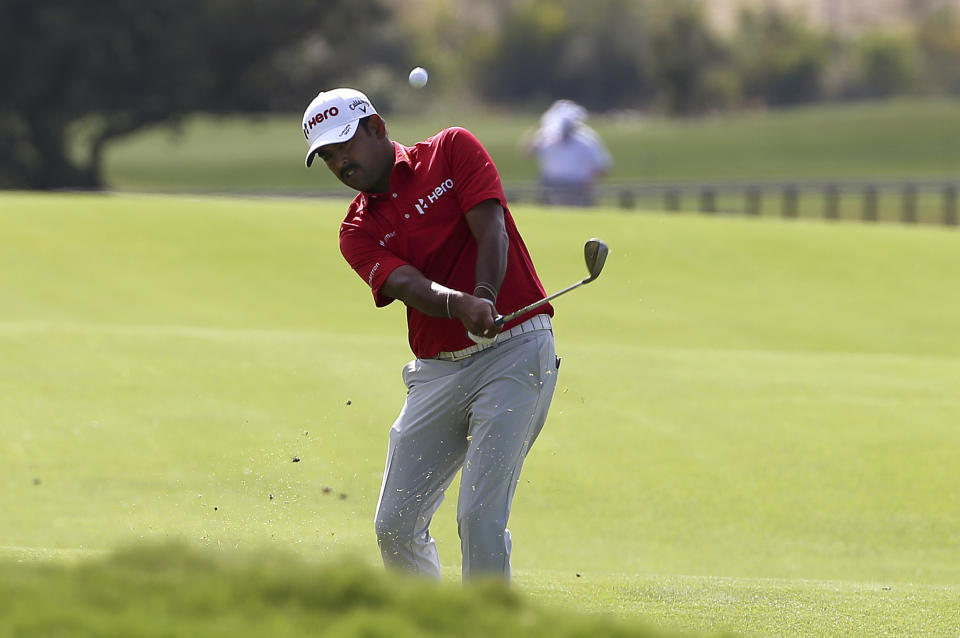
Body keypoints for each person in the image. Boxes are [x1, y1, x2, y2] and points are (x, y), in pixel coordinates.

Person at [301, 88, 560, 581]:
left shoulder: (451, 149)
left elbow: (492, 230)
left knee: (479, 518)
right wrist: (461, 304)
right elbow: (405, 283)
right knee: (395, 524)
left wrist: (483, 293)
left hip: (516, 348)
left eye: (345, 147)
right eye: (329, 158)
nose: (341, 164)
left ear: (376, 127)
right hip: (438, 371)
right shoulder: (355, 230)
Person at [524, 99, 612, 207]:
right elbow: (527, 151)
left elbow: (603, 166)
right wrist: (540, 126)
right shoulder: (547, 136)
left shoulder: (587, 139)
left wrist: (589, 182)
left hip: (578, 187)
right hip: (552, 186)